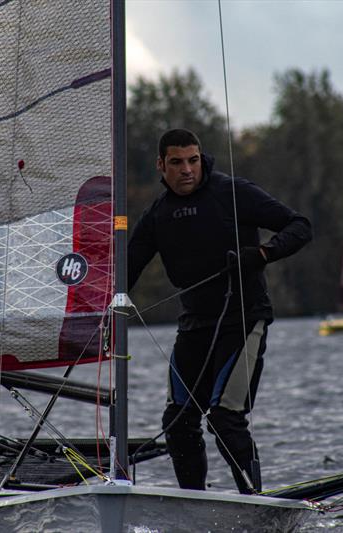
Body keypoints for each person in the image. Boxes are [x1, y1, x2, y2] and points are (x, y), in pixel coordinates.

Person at [128, 128, 312, 494]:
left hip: (242, 320)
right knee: (178, 422)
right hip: (194, 326)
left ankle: (252, 500)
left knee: (225, 418)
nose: (187, 170)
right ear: (160, 165)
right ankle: (192, 504)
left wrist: (263, 253)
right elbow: (126, 269)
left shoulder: (232, 192)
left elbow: (300, 226)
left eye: (193, 161)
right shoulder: (158, 214)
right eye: (177, 163)